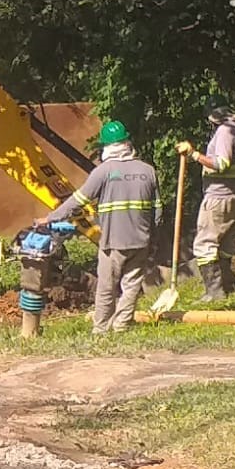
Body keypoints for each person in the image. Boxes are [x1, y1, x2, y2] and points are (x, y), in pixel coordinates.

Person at [38, 120, 161, 334]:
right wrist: (151, 235)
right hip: (140, 239)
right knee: (131, 285)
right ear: (127, 143)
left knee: (107, 286)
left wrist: (50, 218)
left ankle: (101, 329)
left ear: (106, 147)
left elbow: (78, 199)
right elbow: (158, 211)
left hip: (113, 242)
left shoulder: (104, 171)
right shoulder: (148, 171)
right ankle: (122, 325)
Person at [176, 95, 235, 301]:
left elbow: (221, 164)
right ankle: (227, 283)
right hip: (234, 194)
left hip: (219, 195)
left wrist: (193, 154)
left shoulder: (226, 131)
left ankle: (214, 291)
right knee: (226, 240)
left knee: (205, 243)